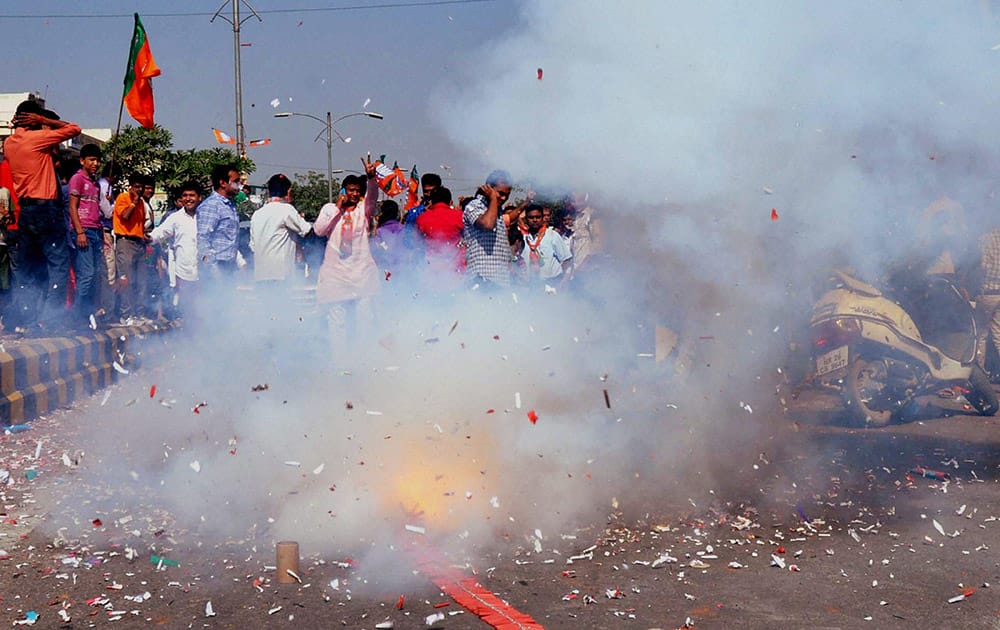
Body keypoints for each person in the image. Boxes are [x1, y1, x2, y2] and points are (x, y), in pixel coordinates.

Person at [2, 100, 81, 333]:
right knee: (58, 265)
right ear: (34, 120)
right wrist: (46, 122)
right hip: (46, 209)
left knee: (29, 269)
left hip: (25, 212)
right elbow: (75, 129)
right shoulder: (36, 139)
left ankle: (26, 320)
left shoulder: (9, 144)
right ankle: (50, 322)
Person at [312, 159, 379, 360]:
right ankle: (340, 363)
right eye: (351, 190)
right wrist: (337, 209)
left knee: (364, 320)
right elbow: (318, 230)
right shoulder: (329, 209)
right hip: (336, 275)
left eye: (358, 190)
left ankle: (364, 361)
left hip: (361, 274)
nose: (355, 194)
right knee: (337, 322)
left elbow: (373, 197)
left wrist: (371, 178)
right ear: (343, 191)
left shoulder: (363, 211)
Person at [249, 173, 311, 285]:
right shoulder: (286, 210)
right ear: (288, 192)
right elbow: (306, 230)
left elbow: (253, 246)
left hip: (260, 275)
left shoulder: (257, 214)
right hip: (281, 274)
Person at [67, 144, 104, 328]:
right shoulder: (77, 179)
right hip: (84, 230)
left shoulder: (96, 184)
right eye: (91, 160)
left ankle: (87, 315)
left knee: (95, 275)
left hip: (96, 231)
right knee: (86, 275)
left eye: (97, 160)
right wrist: (80, 231)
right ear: (82, 161)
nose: (95, 163)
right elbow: (72, 206)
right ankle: (77, 316)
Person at [150, 181, 200, 316]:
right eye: (185, 195)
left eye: (192, 195)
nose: (188, 199)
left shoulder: (204, 217)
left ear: (199, 197)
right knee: (186, 308)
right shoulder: (176, 218)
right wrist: (149, 238)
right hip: (183, 270)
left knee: (202, 307)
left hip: (202, 270)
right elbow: (160, 232)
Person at [462, 169, 516, 289]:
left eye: (507, 195)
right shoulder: (474, 206)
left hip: (500, 281)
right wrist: (492, 198)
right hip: (481, 280)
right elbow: (488, 225)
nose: (503, 198)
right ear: (488, 189)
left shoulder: (498, 211)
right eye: (500, 193)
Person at [113, 175, 152, 324]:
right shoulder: (123, 198)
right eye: (136, 186)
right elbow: (125, 216)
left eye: (141, 187)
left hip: (138, 243)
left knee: (141, 281)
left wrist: (144, 236)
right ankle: (125, 315)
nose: (139, 190)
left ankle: (139, 313)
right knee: (126, 280)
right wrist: (134, 202)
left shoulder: (142, 203)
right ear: (131, 186)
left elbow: (140, 224)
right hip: (125, 242)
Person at [196, 164, 242, 286]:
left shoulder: (229, 206)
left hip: (228, 265)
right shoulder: (212, 205)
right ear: (223, 183)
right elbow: (202, 238)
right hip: (217, 266)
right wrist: (213, 269)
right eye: (236, 181)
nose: (239, 185)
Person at [415, 186, 464, 291]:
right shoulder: (460, 216)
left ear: (431, 201)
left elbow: (417, 245)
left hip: (431, 272)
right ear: (450, 202)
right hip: (455, 272)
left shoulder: (422, 218)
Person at [518, 204, 573, 286]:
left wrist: (561, 284)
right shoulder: (522, 237)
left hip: (552, 283)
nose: (535, 220)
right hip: (530, 285)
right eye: (531, 217)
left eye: (538, 217)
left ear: (543, 218)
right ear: (526, 219)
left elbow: (566, 260)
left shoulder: (552, 235)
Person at [371, 199, 406, 277]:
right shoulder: (404, 229)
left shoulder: (380, 232)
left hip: (386, 270)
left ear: (383, 213)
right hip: (404, 269)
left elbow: (376, 251)